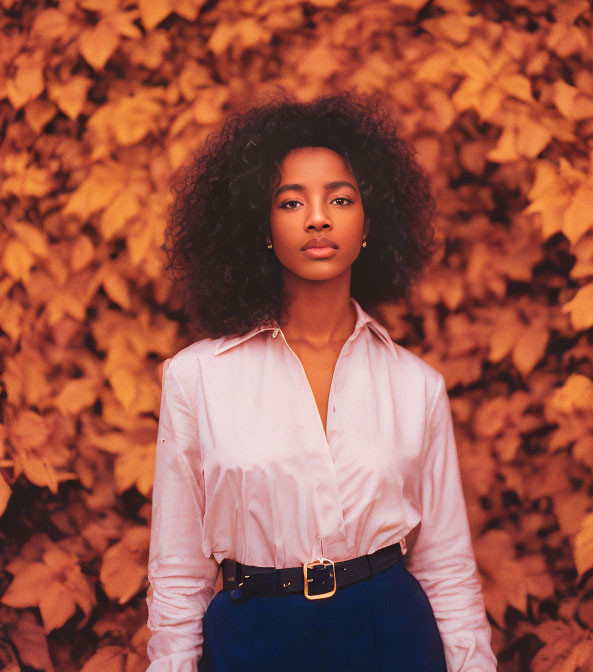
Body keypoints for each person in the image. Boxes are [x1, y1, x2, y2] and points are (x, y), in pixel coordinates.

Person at [146, 88, 497, 671]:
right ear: (261, 228)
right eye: (290, 202)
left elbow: (447, 569)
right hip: (254, 641)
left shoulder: (417, 386)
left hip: (391, 636)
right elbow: (178, 574)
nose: (317, 217)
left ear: (368, 224)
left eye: (340, 198)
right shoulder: (195, 379)